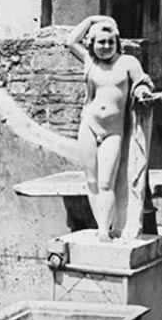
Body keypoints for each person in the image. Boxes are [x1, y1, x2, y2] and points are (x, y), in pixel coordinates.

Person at [65, 15, 156, 240]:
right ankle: (102, 227)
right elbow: (70, 41)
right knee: (92, 181)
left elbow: (143, 82)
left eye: (110, 42)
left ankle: (108, 230)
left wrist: (141, 91)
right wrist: (93, 19)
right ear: (92, 44)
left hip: (113, 131)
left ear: (117, 43)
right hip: (89, 126)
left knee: (107, 182)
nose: (105, 47)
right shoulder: (90, 62)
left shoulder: (127, 63)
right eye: (100, 42)